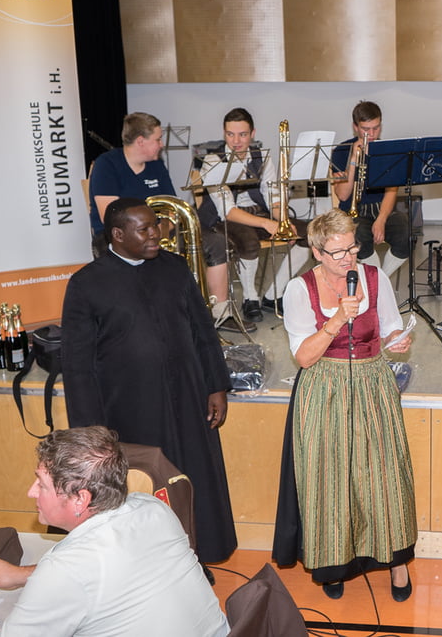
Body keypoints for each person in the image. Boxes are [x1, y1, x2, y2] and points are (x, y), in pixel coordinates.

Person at [61, 198, 237, 564]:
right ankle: (155, 566)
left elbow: (203, 331)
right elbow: (78, 366)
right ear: (118, 235)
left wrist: (216, 385)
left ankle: (197, 557)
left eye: (156, 225)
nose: (156, 234)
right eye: (144, 230)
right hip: (131, 409)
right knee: (146, 491)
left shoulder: (175, 268)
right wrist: (90, 432)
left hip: (188, 397)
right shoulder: (86, 284)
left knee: (193, 479)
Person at [0, 426, 229, 636]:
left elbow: (77, 576)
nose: (31, 492)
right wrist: (20, 574)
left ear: (80, 499)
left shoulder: (65, 568)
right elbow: (107, 575)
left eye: (42, 485)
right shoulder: (152, 509)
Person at [272, 208, 416, 602]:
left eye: (352, 248)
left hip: (372, 382)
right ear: (317, 252)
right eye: (338, 252)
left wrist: (397, 339)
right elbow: (304, 356)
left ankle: (397, 561)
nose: (349, 258)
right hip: (324, 387)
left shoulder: (374, 276)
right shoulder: (299, 289)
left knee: (384, 474)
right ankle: (333, 561)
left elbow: (389, 325)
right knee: (330, 478)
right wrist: (336, 320)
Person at [88, 112, 232, 323]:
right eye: (157, 139)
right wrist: (151, 234)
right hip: (118, 237)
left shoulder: (156, 165)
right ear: (140, 141)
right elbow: (110, 217)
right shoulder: (106, 164)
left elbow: (172, 207)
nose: (161, 145)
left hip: (158, 231)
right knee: (151, 258)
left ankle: (218, 315)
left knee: (216, 243)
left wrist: (161, 232)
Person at [191, 107, 311, 322]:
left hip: (258, 212)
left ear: (253, 134)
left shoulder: (261, 156)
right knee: (248, 242)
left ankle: (273, 294)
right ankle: (250, 298)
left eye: (243, 134)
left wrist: (283, 221)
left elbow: (272, 197)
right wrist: (266, 224)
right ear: (224, 133)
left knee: (307, 235)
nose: (236, 141)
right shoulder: (212, 161)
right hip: (224, 218)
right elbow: (228, 211)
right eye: (230, 134)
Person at [331, 101, 410, 278]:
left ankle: (380, 279)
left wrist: (381, 220)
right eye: (366, 129)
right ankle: (377, 282)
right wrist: (353, 158)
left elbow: (391, 191)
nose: (372, 134)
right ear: (355, 127)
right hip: (353, 210)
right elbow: (343, 195)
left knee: (406, 232)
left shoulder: (388, 150)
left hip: (382, 208)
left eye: (376, 128)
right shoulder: (342, 151)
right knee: (359, 235)